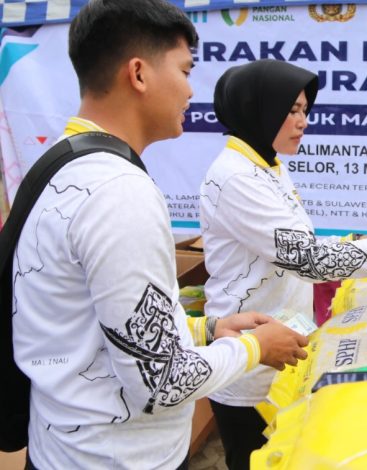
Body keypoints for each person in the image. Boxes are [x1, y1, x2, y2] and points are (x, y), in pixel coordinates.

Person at [11, 1, 307, 467]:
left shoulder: (65, 163)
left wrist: (208, 329)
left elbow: (100, 325)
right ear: (138, 74)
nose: (191, 90)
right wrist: (255, 348)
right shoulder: (118, 192)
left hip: (68, 451)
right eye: (185, 70)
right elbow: (162, 381)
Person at [199, 59, 367, 470]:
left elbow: (297, 246)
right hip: (250, 358)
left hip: (279, 346)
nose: (303, 121)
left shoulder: (266, 167)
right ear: (259, 109)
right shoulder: (238, 178)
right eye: (291, 110)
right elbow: (309, 261)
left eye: (305, 110)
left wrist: (365, 241)